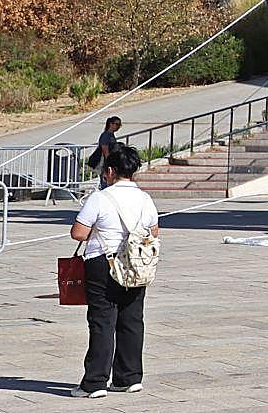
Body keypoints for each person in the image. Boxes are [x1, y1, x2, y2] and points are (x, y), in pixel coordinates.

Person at [69, 144, 159, 399]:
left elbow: (79, 232)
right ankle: (129, 377)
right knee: (132, 320)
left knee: (102, 321)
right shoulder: (144, 198)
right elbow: (153, 232)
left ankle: (95, 381)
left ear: (110, 170)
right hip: (136, 263)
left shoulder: (100, 197)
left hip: (103, 263)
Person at [87, 117, 123, 187]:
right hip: (105, 162)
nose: (118, 127)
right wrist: (109, 163)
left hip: (108, 162)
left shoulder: (111, 135)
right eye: (117, 124)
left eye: (119, 125)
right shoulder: (106, 135)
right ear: (111, 124)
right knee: (105, 181)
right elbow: (105, 151)